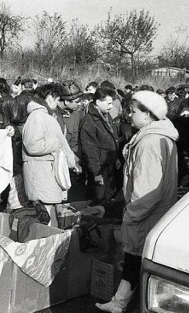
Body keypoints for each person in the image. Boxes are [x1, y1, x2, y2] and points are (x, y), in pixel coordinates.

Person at [96, 91, 178, 313]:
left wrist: (131, 215)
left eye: (134, 111)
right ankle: (123, 304)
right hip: (153, 211)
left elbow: (147, 189)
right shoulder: (158, 136)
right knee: (138, 262)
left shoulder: (150, 142)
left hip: (146, 212)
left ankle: (134, 308)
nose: (129, 115)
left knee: (138, 260)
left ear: (148, 114)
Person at [21, 94, 79, 225]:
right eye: (57, 99)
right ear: (48, 98)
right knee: (43, 216)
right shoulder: (37, 117)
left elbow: (61, 142)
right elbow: (32, 145)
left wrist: (71, 161)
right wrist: (55, 143)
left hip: (47, 172)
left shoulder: (44, 116)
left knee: (47, 214)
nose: (58, 103)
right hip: (42, 173)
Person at [79, 88, 121, 205]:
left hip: (110, 165)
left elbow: (113, 138)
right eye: (108, 103)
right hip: (99, 169)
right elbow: (89, 150)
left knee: (108, 198)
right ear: (98, 102)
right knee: (98, 200)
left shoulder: (106, 116)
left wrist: (115, 157)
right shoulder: (89, 121)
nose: (111, 106)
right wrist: (96, 173)